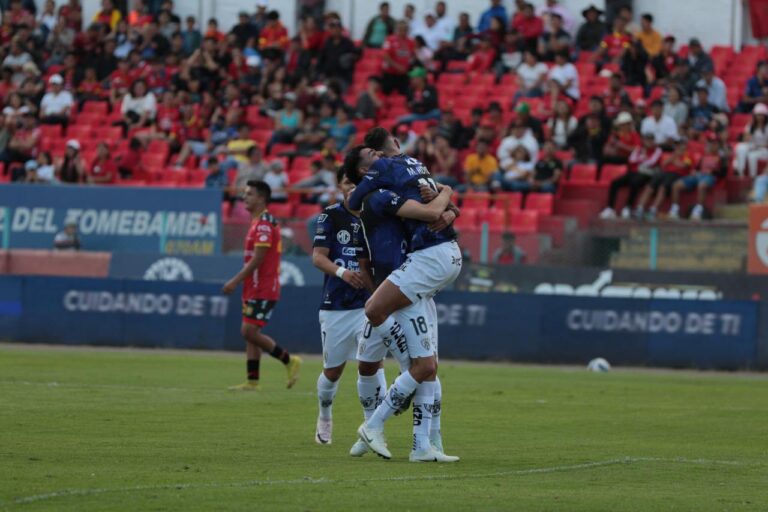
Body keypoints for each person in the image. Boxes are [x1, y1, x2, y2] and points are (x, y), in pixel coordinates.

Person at [345, 128, 461, 462]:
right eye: (373, 157)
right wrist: (445, 194)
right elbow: (429, 213)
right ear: (367, 172)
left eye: (376, 152)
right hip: (400, 283)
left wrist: (446, 202)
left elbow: (443, 210)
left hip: (413, 281)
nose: (380, 157)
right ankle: (375, 427)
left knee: (425, 367)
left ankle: (424, 443)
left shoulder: (393, 179)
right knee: (386, 362)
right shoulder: (378, 197)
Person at [221, 180, 302, 391]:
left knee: (248, 331)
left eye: (249, 194)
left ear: (262, 198)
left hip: (263, 287)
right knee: (250, 335)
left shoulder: (265, 223)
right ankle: (252, 380)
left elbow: (257, 259)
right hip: (253, 287)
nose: (244, 197)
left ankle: (289, 360)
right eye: (245, 193)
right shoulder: (257, 222)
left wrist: (234, 281)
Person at [311, 167, 371, 445]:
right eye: (347, 183)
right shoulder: (331, 215)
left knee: (371, 365)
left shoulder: (376, 216)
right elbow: (318, 258)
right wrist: (343, 273)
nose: (351, 188)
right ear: (339, 185)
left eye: (356, 184)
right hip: (335, 304)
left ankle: (372, 426)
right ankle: (324, 414)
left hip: (368, 305)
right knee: (333, 372)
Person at [600, 132, 662, 219]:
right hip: (634, 172)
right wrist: (642, 158)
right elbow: (631, 160)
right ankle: (610, 208)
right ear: (643, 141)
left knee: (635, 183)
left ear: (653, 141)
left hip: (646, 173)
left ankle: (628, 207)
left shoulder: (657, 150)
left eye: (651, 140)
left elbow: (651, 162)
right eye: (647, 140)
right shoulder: (638, 149)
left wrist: (640, 159)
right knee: (615, 182)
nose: (649, 142)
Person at [669, 134, 726, 220]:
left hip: (710, 177)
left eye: (714, 143)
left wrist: (713, 172)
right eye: (710, 143)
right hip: (699, 175)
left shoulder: (721, 157)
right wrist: (694, 171)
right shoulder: (704, 156)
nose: (712, 145)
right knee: (676, 185)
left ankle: (698, 211)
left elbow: (723, 172)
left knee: (701, 185)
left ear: (718, 145)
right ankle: (674, 210)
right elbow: (697, 167)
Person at [635, 139, 693, 220]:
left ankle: (653, 210)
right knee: (650, 186)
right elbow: (663, 164)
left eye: (680, 145)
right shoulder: (670, 154)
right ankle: (639, 208)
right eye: (677, 145)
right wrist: (674, 157)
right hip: (664, 173)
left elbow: (683, 166)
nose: (678, 147)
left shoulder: (687, 155)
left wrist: (673, 160)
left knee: (663, 187)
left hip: (677, 175)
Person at [380, 20, 415, 95]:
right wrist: (397, 66)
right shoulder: (390, 40)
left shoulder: (410, 42)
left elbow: (412, 56)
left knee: (407, 93)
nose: (403, 32)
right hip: (390, 73)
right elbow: (385, 55)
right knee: (385, 92)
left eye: (405, 29)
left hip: (403, 74)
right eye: (401, 29)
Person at [734, 103, 768, 177]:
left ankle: (753, 177)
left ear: (765, 116)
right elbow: (746, 139)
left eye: (762, 115)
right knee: (740, 147)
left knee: (752, 156)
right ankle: (740, 171)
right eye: (758, 115)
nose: (760, 117)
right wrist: (748, 135)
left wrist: (758, 146)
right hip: (753, 146)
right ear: (755, 116)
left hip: (764, 150)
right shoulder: (750, 126)